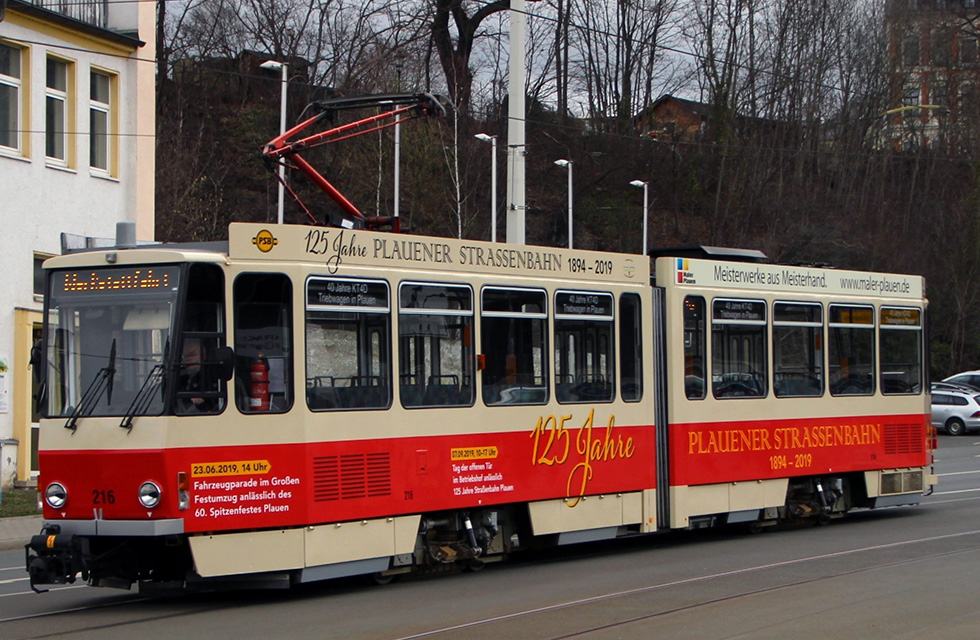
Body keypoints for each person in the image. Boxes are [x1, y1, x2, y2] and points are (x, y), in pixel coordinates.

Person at [177, 339, 216, 413]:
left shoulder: (213, 378)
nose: (187, 359)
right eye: (185, 356)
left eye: (192, 355)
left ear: (204, 356)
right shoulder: (180, 378)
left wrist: (202, 402)